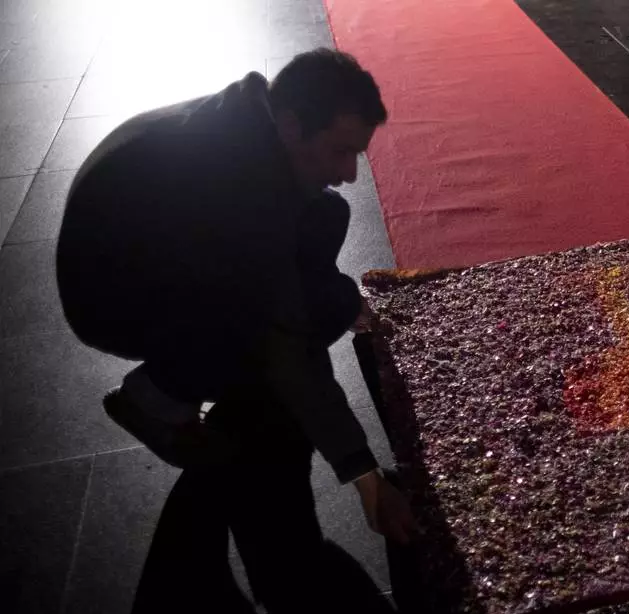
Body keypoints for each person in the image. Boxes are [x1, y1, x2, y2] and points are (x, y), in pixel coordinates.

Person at [56, 48, 413, 542]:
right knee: (285, 317)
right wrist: (366, 477)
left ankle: (199, 368)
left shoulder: (256, 117)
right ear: (292, 125)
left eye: (356, 154)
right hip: (110, 297)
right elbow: (288, 342)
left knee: (327, 219)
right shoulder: (240, 189)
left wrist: (351, 305)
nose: (351, 173)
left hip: (150, 247)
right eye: (340, 151)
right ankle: (154, 400)